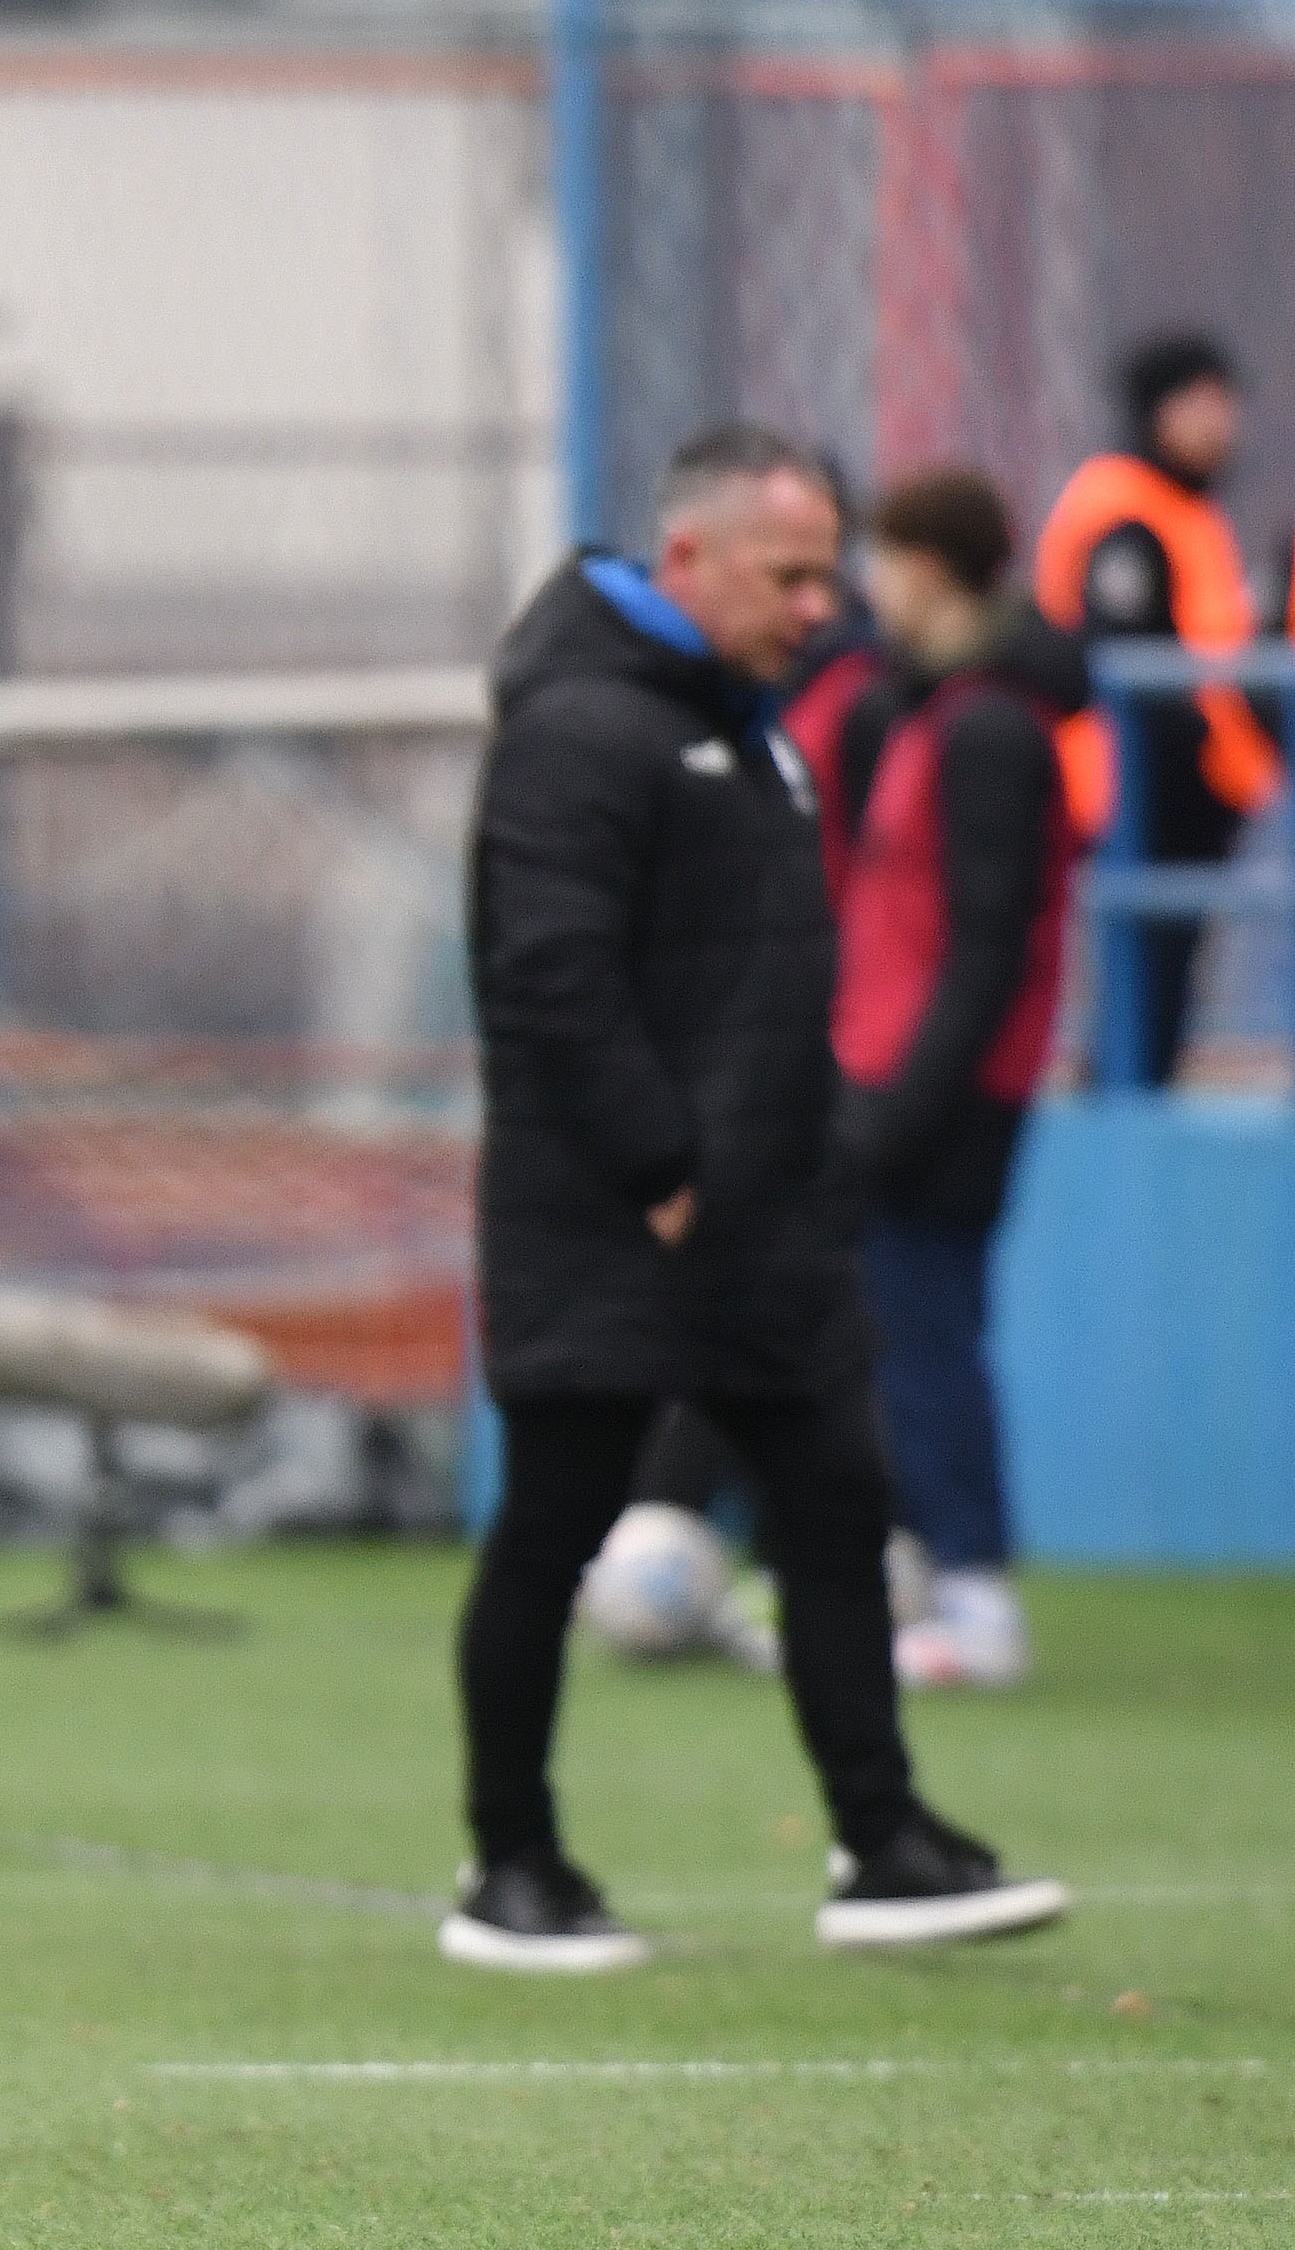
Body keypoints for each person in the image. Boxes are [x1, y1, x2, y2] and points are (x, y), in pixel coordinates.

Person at [452, 423, 1063, 1973]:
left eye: (827, 573)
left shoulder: (757, 729)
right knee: (555, 1524)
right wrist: (658, 1166)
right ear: (688, 557)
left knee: (837, 1505)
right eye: (787, 575)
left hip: (772, 1220)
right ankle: (509, 1864)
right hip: (616, 1218)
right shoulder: (579, 732)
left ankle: (884, 1843)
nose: (817, 605)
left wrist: (811, 1146)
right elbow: (549, 976)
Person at [829, 469, 1089, 1689]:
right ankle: (922, 1570)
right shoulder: (929, 714)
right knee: (892, 1325)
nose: (867, 586)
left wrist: (907, 1102)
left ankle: (975, 1592)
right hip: (899, 1067)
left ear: (929, 568)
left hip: (947, 1083)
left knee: (925, 1327)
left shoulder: (987, 731)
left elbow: (986, 941)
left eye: (883, 558)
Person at [1033, 332, 1273, 1087]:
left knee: (1164, 982)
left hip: (1191, 788)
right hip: (1135, 789)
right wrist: (1199, 751)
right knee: (1140, 981)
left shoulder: (1187, 508)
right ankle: (1120, 1099)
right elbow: (1131, 656)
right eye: (1200, 404)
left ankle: (1133, 1084)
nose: (1220, 424)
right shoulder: (1126, 510)